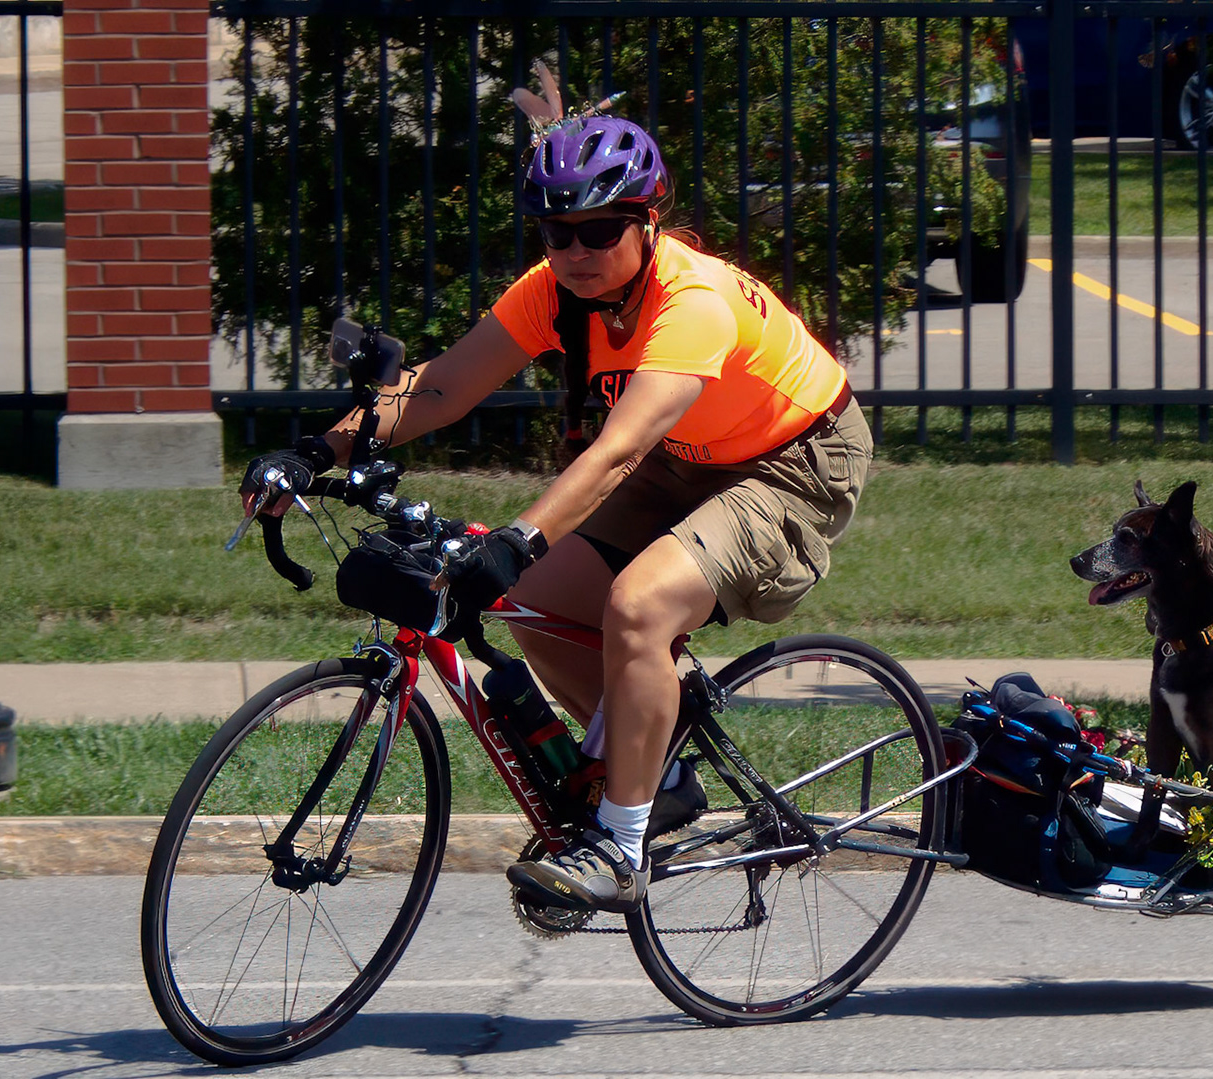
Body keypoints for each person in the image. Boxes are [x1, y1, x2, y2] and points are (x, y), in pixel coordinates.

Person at [239, 104, 870, 914]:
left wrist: (518, 536)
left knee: (636, 608)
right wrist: (317, 449)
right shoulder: (556, 292)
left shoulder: (693, 301)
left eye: (600, 230)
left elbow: (616, 453)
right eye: (554, 233)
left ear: (647, 223)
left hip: (795, 461)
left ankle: (621, 843)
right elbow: (441, 386)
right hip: (687, 453)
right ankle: (663, 773)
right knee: (530, 600)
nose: (575, 250)